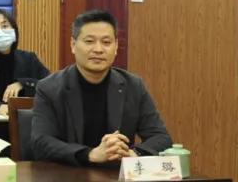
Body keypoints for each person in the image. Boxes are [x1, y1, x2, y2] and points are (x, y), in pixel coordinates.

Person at [32, 9, 172, 166]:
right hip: (69, 175)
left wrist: (133, 153)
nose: (98, 49)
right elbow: (40, 142)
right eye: (89, 41)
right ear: (73, 45)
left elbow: (161, 137)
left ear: (116, 46)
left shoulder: (133, 86)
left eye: (106, 42)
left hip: (116, 175)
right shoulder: (49, 88)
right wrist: (90, 154)